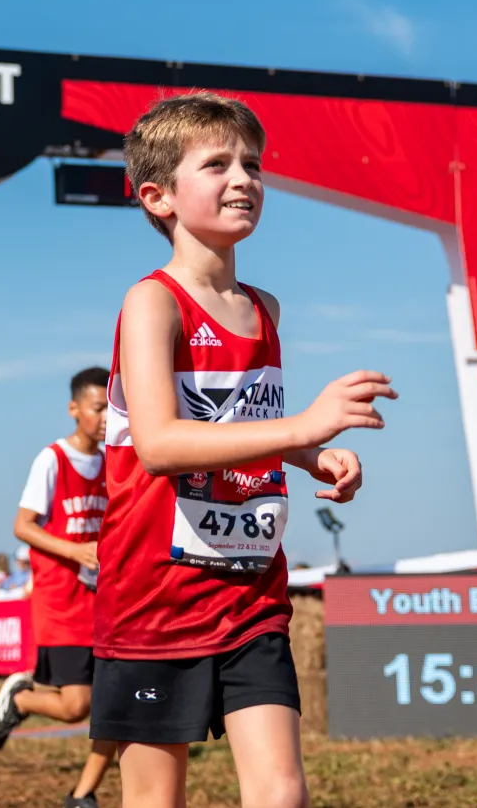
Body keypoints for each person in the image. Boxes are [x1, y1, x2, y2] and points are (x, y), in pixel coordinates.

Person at [90, 93, 396, 808]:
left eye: (253, 164)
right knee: (156, 800)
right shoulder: (152, 303)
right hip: (153, 599)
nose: (244, 179)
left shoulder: (266, 309)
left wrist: (310, 456)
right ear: (158, 197)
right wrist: (302, 430)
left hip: (250, 592)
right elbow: (163, 444)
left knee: (281, 792)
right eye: (218, 163)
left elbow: (232, 418)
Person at [0, 366, 117, 807]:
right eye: (98, 408)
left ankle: (83, 795)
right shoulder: (53, 459)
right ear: (74, 409)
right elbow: (22, 526)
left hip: (105, 601)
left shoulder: (113, 462)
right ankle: (22, 700)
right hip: (62, 601)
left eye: (111, 409)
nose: (105, 418)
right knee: (78, 705)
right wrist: (76, 551)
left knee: (115, 706)